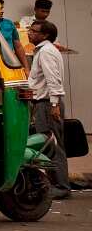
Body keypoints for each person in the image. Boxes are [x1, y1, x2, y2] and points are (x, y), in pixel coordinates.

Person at [26, 20, 71, 199]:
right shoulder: (46, 50)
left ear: (44, 35)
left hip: (47, 104)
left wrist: (54, 105)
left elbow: (53, 80)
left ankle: (61, 185)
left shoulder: (45, 52)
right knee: (49, 145)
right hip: (45, 103)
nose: (29, 33)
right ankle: (55, 183)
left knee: (51, 145)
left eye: (33, 31)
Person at [0, 0, 25, 70]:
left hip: (9, 66)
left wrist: (26, 68)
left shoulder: (9, 23)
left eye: (2, 8)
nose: (2, 11)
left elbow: (18, 47)